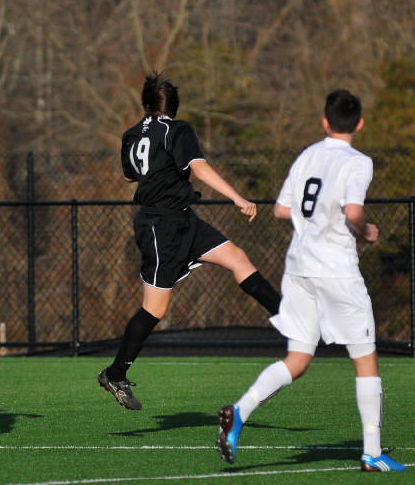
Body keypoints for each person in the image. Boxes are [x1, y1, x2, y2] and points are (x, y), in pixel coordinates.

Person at [217, 89, 406, 472]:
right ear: (359, 123)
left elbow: (281, 209)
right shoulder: (358, 161)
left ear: (324, 121)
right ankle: (372, 452)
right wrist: (364, 230)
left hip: (299, 268)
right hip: (336, 269)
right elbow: (353, 211)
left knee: (298, 359)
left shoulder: (308, 156)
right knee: (365, 357)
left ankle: (240, 411)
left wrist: (315, 219)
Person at [98, 72, 281, 410]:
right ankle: (115, 373)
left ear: (146, 104)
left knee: (237, 258)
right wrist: (237, 198)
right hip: (160, 227)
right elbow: (199, 168)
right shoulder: (177, 130)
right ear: (175, 107)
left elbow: (128, 174)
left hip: (183, 220)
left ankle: (288, 320)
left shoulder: (131, 133)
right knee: (155, 309)